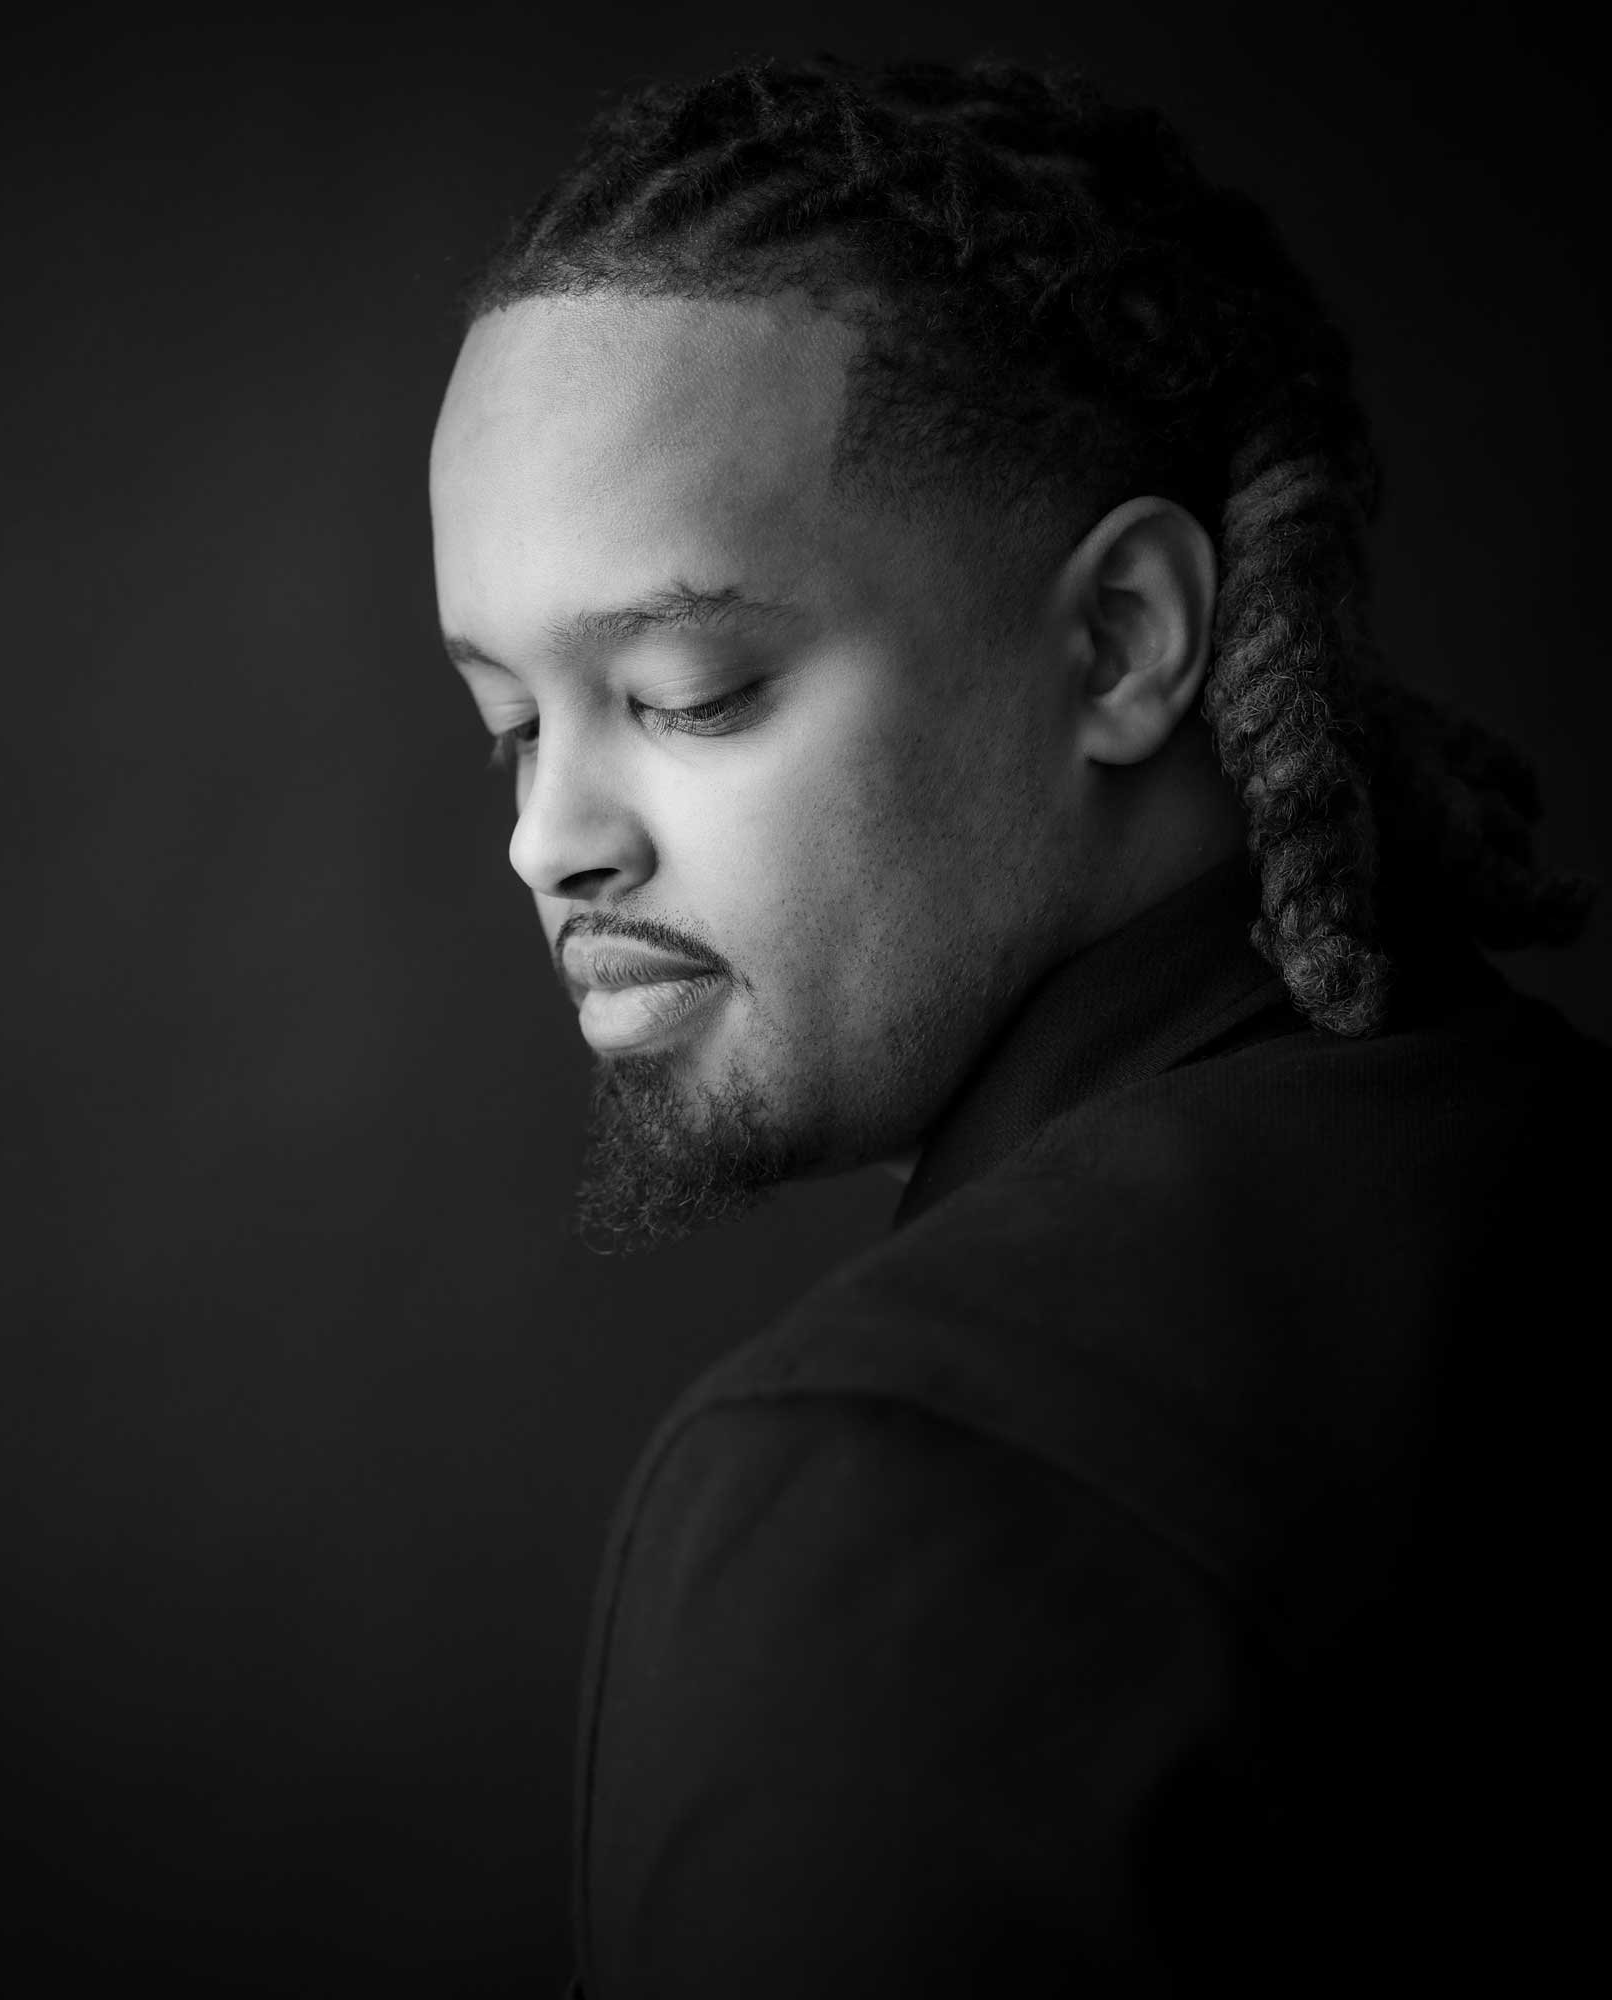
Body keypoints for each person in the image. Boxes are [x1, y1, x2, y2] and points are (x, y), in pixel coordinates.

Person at [428, 55, 1603, 1996]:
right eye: (507, 721)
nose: (548, 839)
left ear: (1126, 637)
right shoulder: (1538, 1143)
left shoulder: (896, 1491)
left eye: (689, 689)